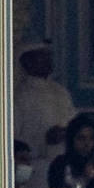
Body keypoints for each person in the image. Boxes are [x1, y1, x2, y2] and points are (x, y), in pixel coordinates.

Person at [14, 40, 76, 175]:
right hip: (36, 168)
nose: (48, 60)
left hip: (64, 165)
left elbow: (73, 122)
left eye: (49, 55)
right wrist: (44, 140)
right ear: (27, 62)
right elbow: (14, 139)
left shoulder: (61, 91)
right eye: (42, 56)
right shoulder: (19, 96)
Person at [47, 114, 94, 188]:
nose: (87, 143)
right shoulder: (60, 164)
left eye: (91, 138)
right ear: (72, 140)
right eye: (81, 138)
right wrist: (85, 179)